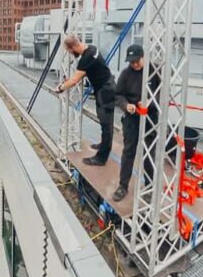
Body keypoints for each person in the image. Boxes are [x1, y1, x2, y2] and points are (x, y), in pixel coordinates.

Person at [55, 35, 116, 166]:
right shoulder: (92, 49)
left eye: (69, 51)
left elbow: (74, 80)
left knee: (106, 124)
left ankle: (101, 158)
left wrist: (60, 87)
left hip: (105, 90)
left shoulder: (86, 58)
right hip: (106, 87)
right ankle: (104, 144)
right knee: (104, 122)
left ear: (73, 47)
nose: (71, 54)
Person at [112, 44, 161, 201]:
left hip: (151, 119)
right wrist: (126, 105)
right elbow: (118, 95)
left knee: (149, 153)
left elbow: (163, 95)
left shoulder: (156, 71)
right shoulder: (126, 74)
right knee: (128, 151)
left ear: (143, 57)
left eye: (136, 61)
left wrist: (149, 104)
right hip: (132, 119)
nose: (134, 64)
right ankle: (123, 186)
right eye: (131, 62)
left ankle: (150, 186)